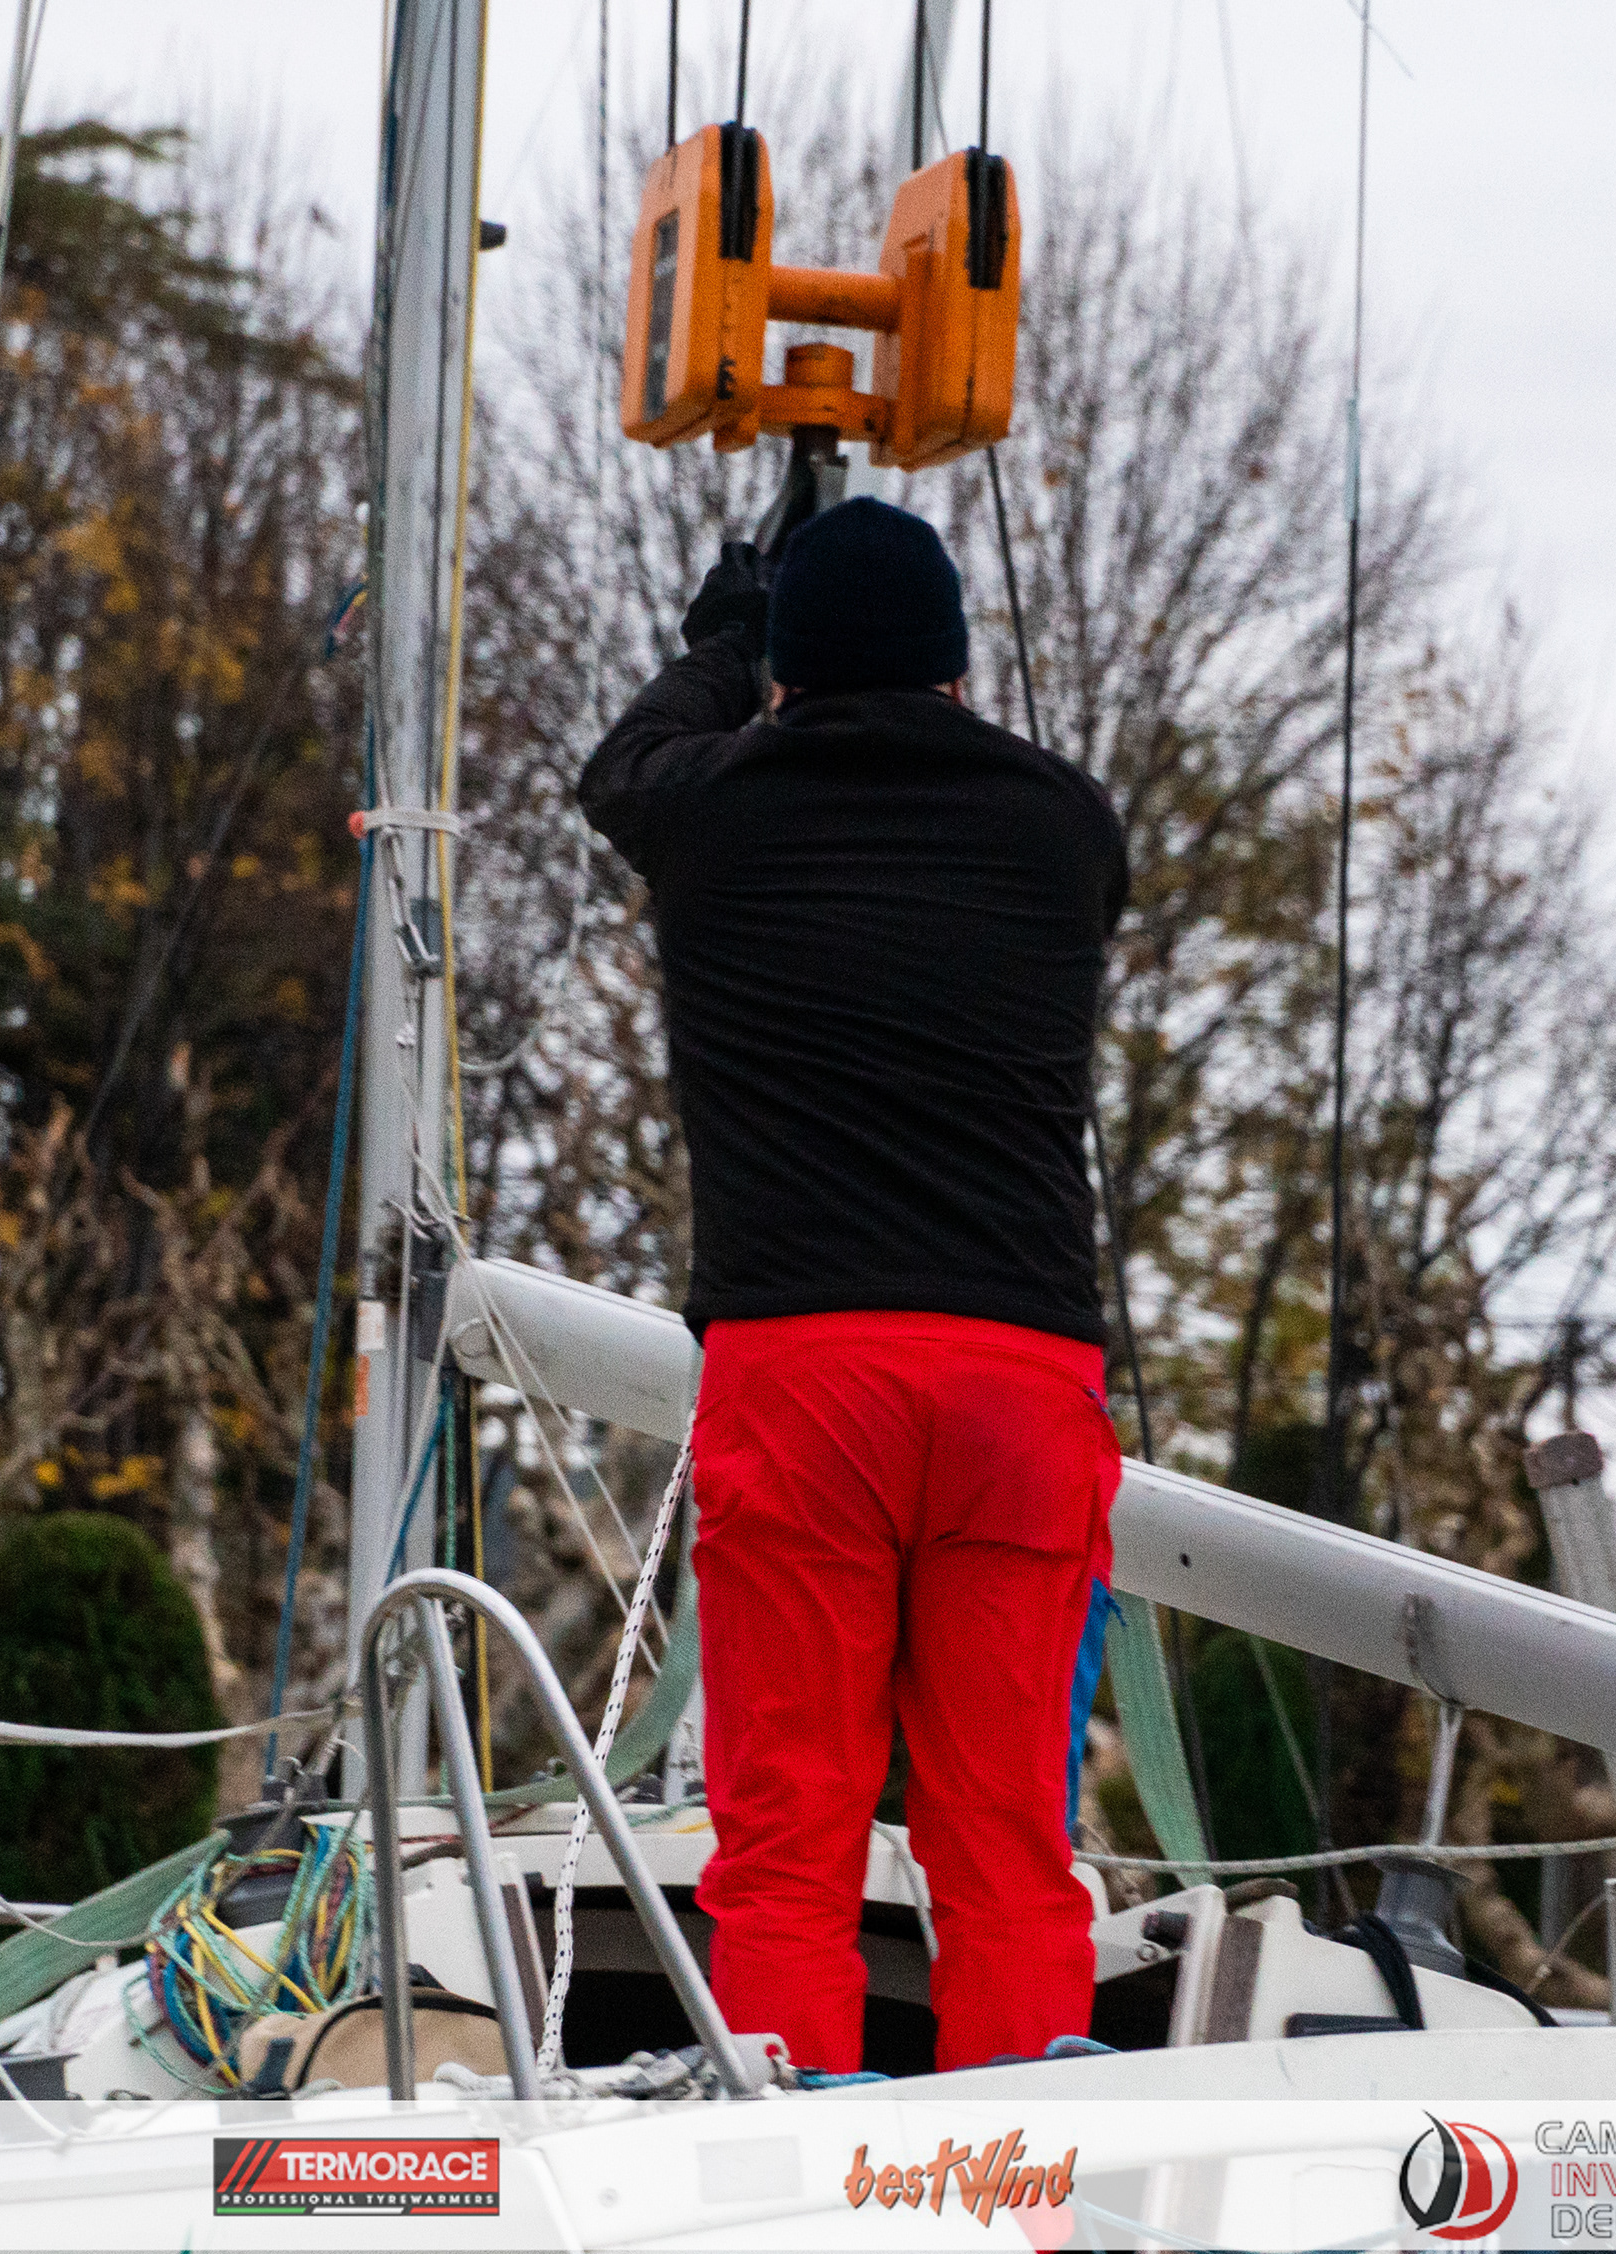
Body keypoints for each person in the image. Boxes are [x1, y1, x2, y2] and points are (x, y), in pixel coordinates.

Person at [579, 496, 1130, 2077]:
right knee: (1008, 1843)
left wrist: (721, 653)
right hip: (1022, 1375)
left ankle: (798, 2199)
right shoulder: (1065, 825)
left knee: (791, 1835)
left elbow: (618, 765)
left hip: (805, 1365)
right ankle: (1020, 2198)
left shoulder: (713, 807)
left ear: (785, 678)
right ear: (957, 666)